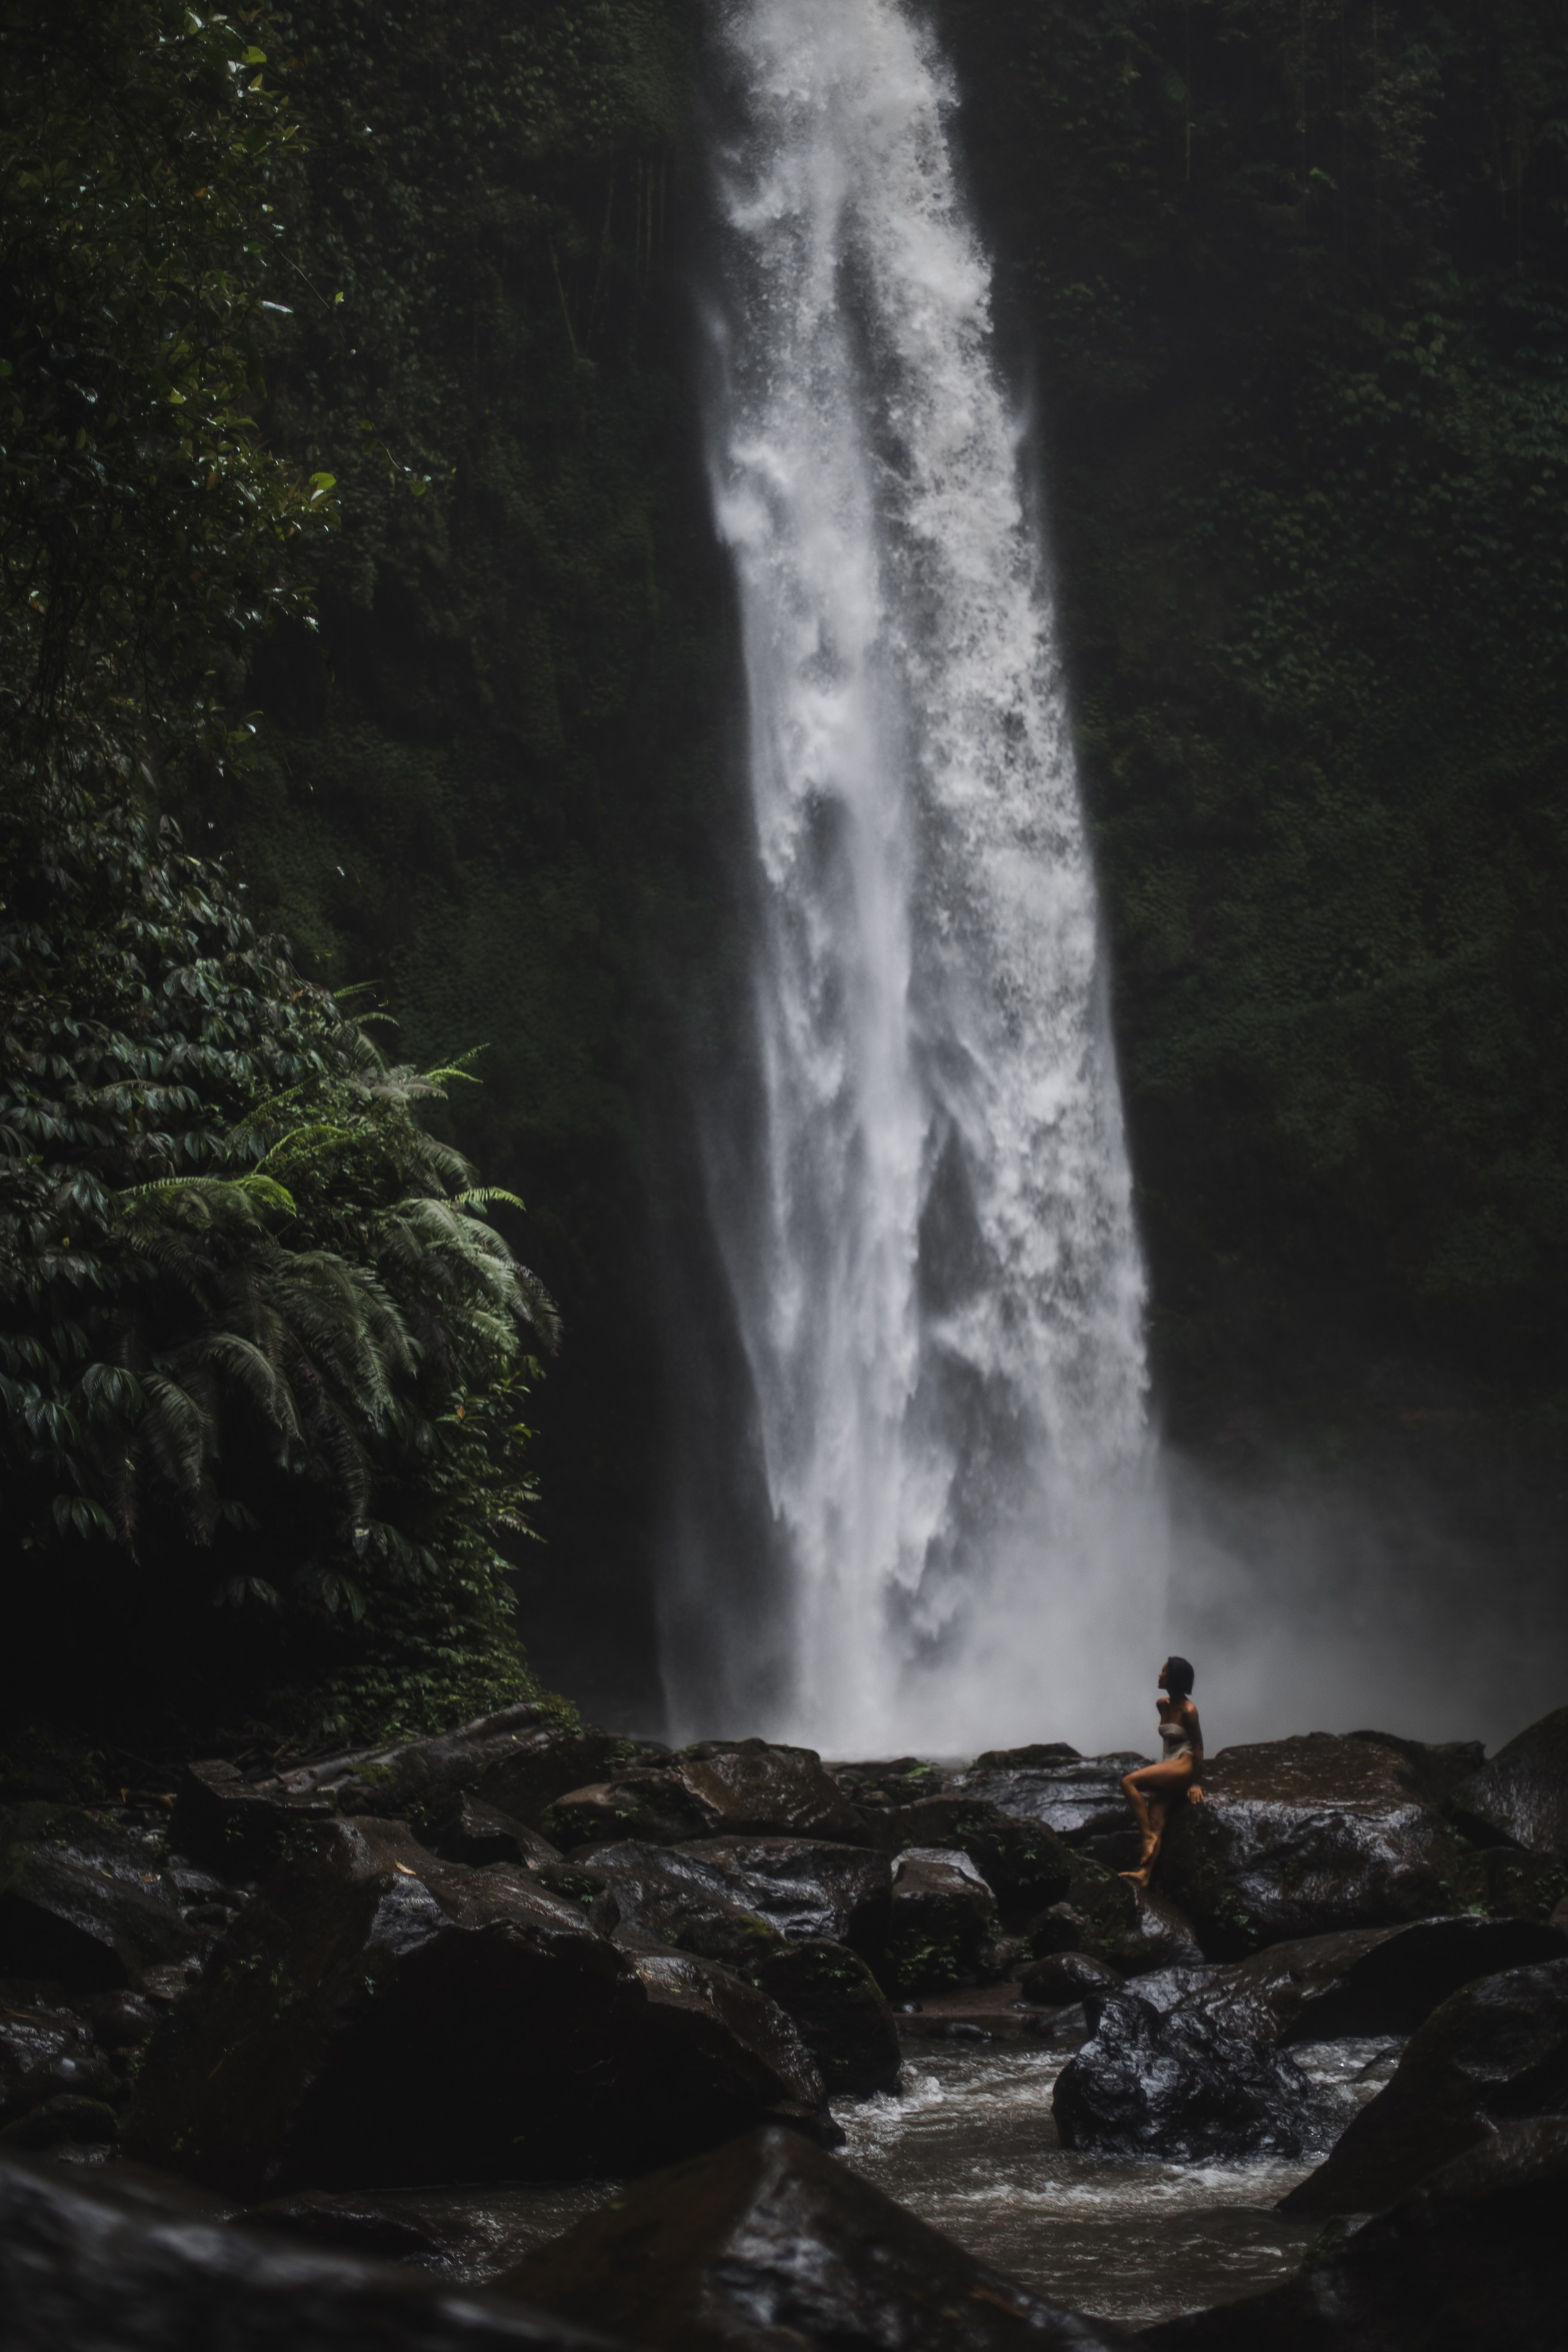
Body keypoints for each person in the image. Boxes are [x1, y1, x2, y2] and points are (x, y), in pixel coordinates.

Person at [1119, 1656, 1203, 1886]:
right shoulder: (1162, 1705)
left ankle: (1146, 1837)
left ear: (1175, 1678)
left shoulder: (1189, 1710)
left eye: (1164, 1671)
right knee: (1156, 1821)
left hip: (1184, 1764)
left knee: (1128, 1782)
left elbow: (1198, 1746)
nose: (1160, 1674)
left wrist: (1195, 1783)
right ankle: (1145, 1875)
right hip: (1169, 1762)